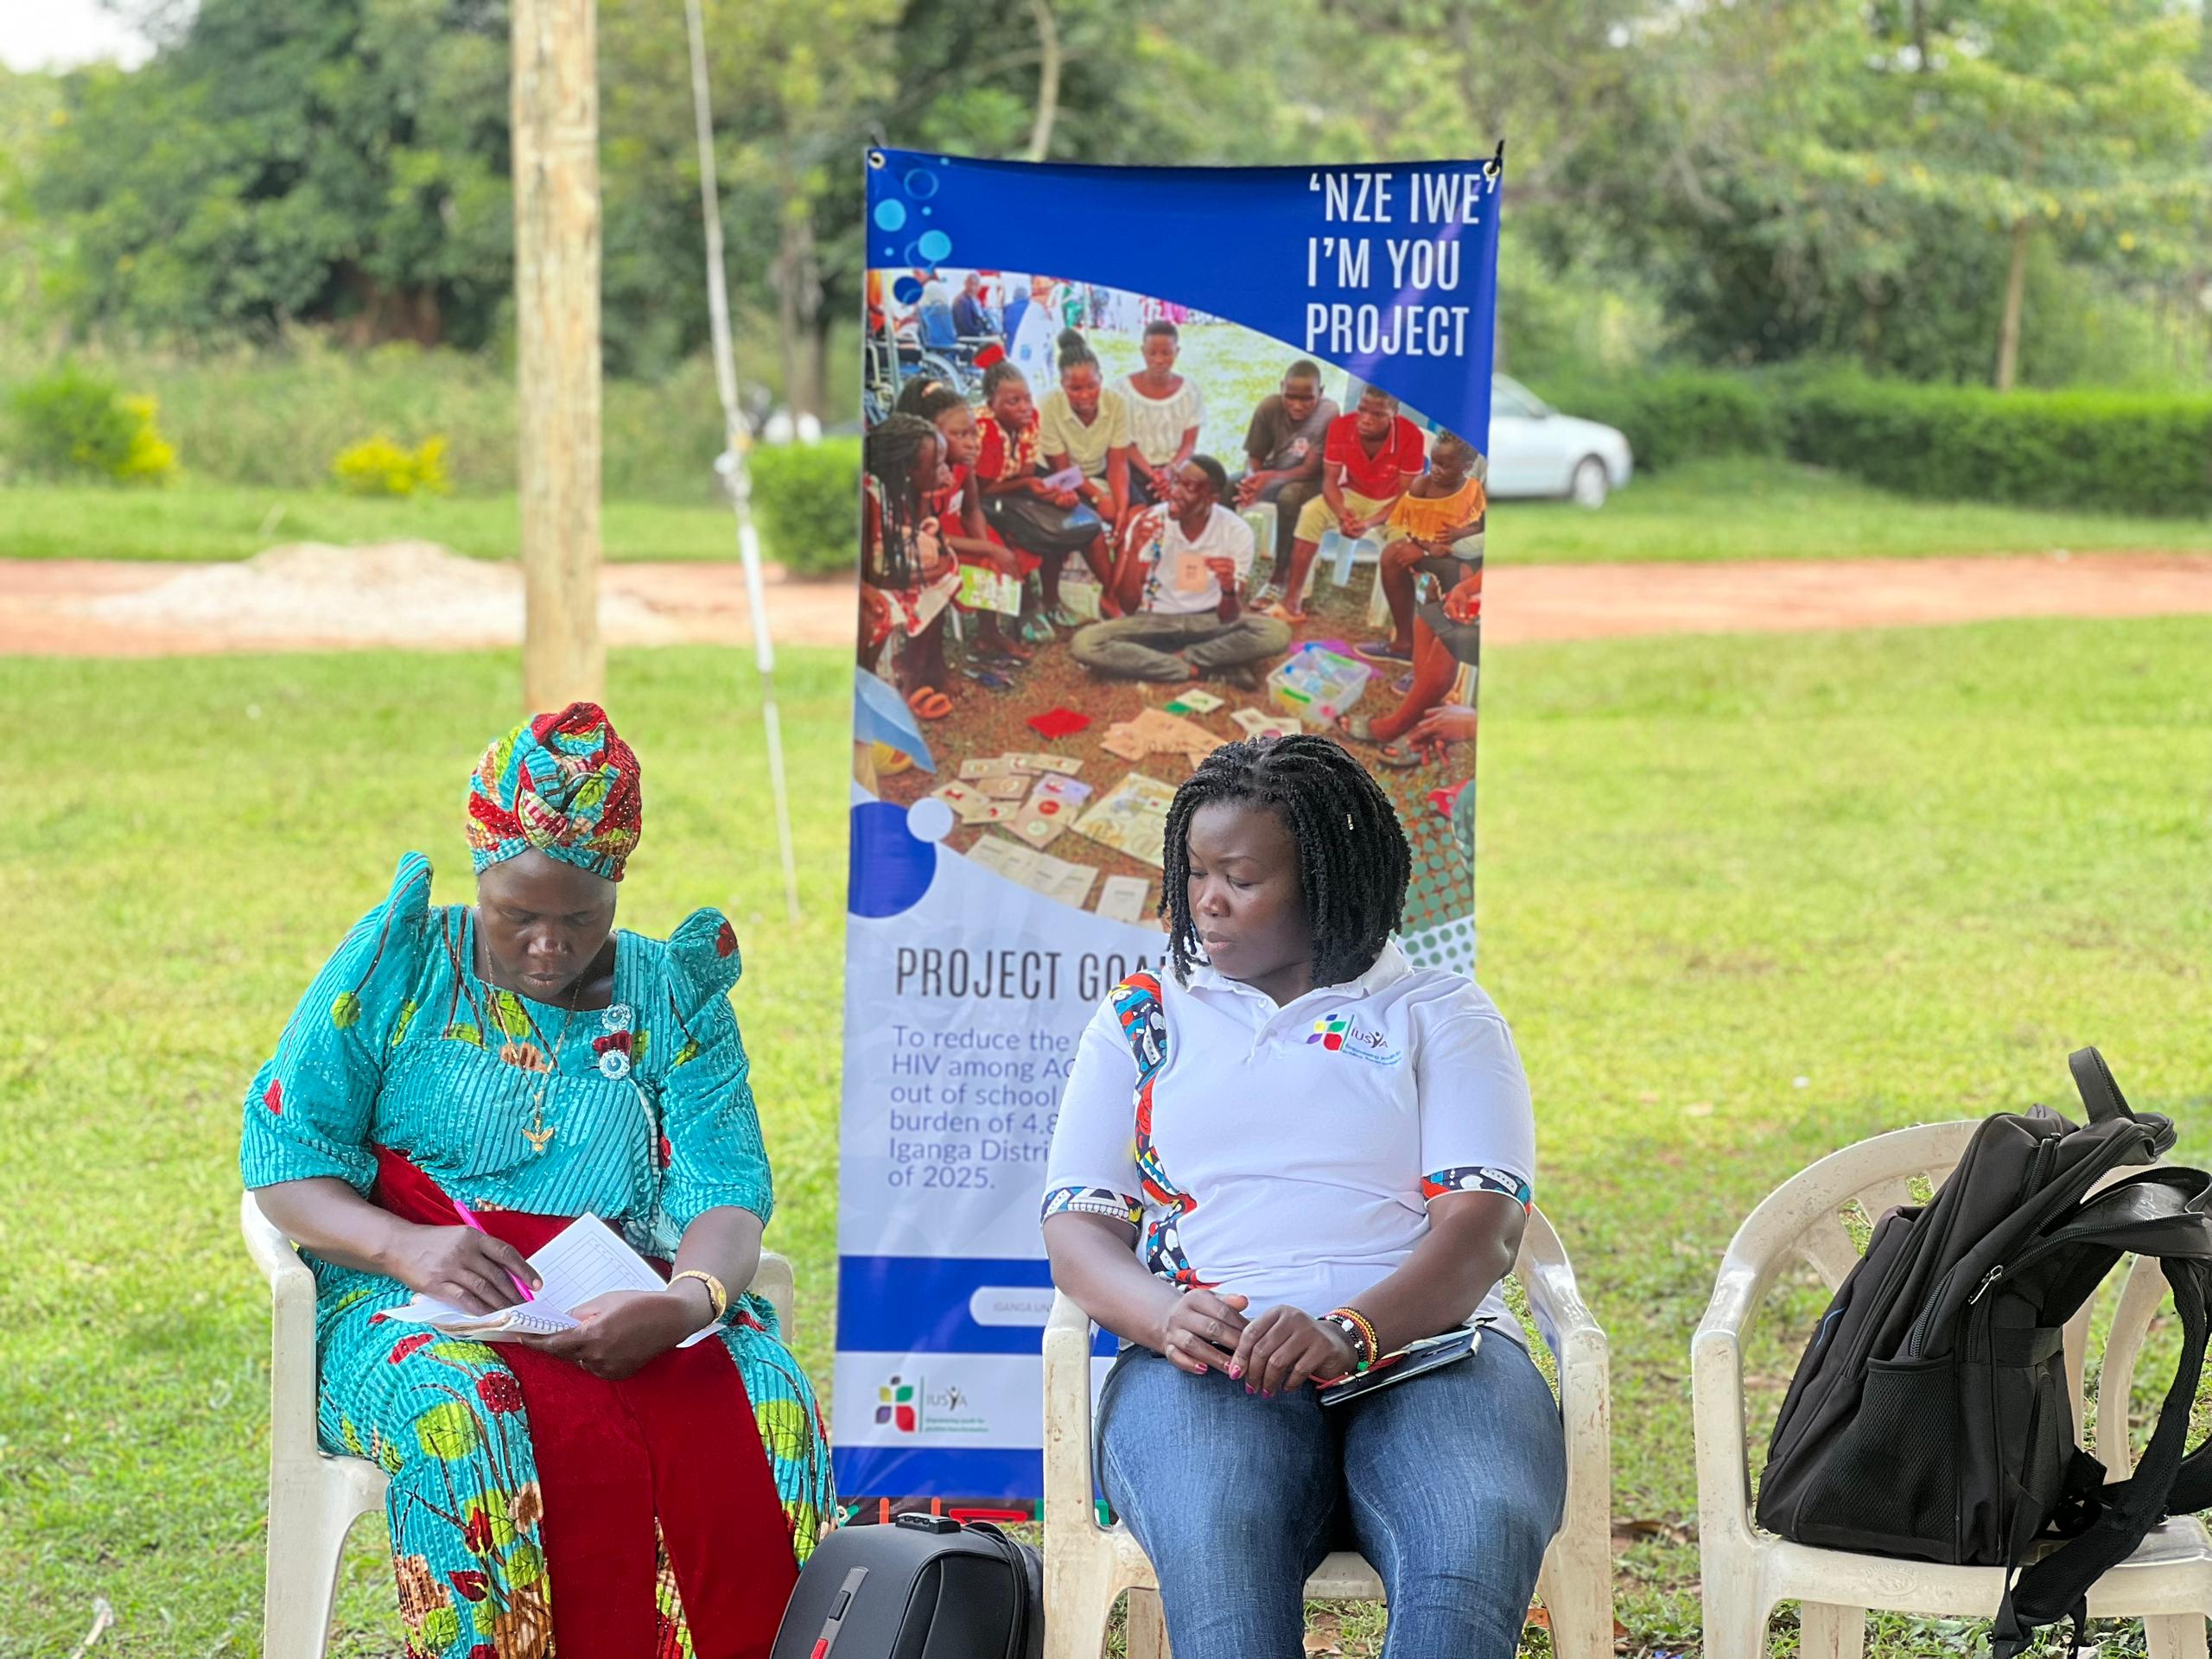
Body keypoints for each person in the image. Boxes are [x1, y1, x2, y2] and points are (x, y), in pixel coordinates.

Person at [242, 704, 835, 1659]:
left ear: (618, 886)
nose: (549, 948)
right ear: (480, 873)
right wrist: (409, 1246)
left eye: (581, 919)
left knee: (771, 1399)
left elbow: (726, 1188)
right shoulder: (397, 969)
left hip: (627, 1293)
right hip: (402, 1304)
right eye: (516, 915)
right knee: (464, 1415)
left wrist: (687, 1304)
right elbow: (285, 1159)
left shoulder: (669, 996)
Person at [1040, 734, 1560, 1659]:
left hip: (1436, 1355)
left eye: (1239, 877)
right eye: (1196, 871)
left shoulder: (1436, 1013)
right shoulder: (1141, 1016)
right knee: (1219, 1536)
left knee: (1472, 1535)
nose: (1205, 900)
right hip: (1204, 1366)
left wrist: (1347, 1331)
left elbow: (1482, 1234)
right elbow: (1078, 1228)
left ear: (1325, 881)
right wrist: (1167, 1320)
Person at [1071, 455, 1290, 685]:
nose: (1174, 492)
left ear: (1212, 498)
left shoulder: (1236, 531)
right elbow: (1128, 605)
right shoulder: (1150, 521)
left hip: (1208, 620)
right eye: (1175, 481)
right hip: (1154, 620)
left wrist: (1227, 589)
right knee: (1085, 643)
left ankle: (1169, 660)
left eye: (1189, 487)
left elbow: (1229, 616)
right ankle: (1203, 671)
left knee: (1276, 633)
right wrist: (1134, 551)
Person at [1270, 388, 1428, 624]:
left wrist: (1368, 523)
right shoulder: (1341, 426)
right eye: (1362, 409)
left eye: (1377, 414)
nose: (1365, 419)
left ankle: (1398, 626)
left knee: (1403, 547)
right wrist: (1343, 515)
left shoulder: (1411, 435)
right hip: (1353, 494)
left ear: (1394, 413)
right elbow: (1330, 482)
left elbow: (1406, 496)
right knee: (1310, 512)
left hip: (1395, 503)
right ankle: (1292, 603)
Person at [914, 383, 1034, 672]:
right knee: (970, 560)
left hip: (960, 529)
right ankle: (930, 659)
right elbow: (927, 533)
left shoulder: (963, 464)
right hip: (932, 539)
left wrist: (987, 549)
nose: (971, 443)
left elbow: (971, 509)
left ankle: (989, 631)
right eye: (960, 435)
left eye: (972, 433)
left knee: (1002, 555)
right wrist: (986, 548)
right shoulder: (925, 472)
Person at [976, 361, 1096, 635]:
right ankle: (1025, 608)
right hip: (976, 499)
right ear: (991, 403)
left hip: (1011, 489)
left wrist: (1045, 491)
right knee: (1021, 534)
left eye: (1027, 398)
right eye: (1013, 401)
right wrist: (1029, 484)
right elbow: (979, 489)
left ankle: (1051, 600)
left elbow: (1025, 472)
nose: (1024, 407)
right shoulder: (984, 429)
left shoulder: (1030, 420)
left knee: (1056, 520)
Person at [861, 413, 963, 719]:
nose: (945, 470)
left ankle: (918, 672)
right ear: (907, 469)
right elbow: (868, 572)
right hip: (866, 579)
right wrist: (917, 576)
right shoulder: (868, 498)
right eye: (937, 465)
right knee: (881, 613)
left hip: (884, 561)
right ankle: (867, 694)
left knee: (944, 577)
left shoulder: (895, 487)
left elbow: (911, 528)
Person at [1356, 434, 1486, 668]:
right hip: (1429, 544)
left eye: (1444, 466)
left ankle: (1431, 667)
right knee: (1392, 555)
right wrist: (1424, 547)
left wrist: (1457, 535)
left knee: (1448, 580)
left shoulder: (1473, 490)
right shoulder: (1423, 485)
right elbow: (1408, 521)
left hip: (1470, 557)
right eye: (1434, 462)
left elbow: (1479, 527)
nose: (1435, 470)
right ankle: (1405, 644)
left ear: (1466, 467)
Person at [1039, 329, 1135, 607]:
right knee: (1089, 524)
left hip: (1100, 469)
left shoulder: (1117, 403)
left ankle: (1129, 586)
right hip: (1058, 475)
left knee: (1133, 516)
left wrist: (1120, 507)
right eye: (1075, 389)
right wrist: (1097, 497)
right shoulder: (1048, 405)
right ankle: (1112, 596)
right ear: (1062, 385)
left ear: (1101, 379)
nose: (1085, 396)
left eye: (1092, 386)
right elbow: (1062, 468)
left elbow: (1118, 462)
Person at [1235, 361, 1339, 590]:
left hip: (1309, 480)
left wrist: (1267, 478)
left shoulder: (1328, 413)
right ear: (1281, 387)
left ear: (1320, 392)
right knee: (1224, 486)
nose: (1297, 405)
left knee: (1290, 496)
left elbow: (1309, 469)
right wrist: (1251, 480)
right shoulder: (1269, 407)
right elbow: (1255, 456)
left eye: (1307, 399)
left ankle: (1280, 575)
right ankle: (1226, 567)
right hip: (1273, 471)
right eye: (1290, 396)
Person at [1122, 320, 1205, 524]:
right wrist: (1153, 475)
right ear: (1143, 352)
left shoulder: (1189, 391)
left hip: (1177, 467)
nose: (1159, 360)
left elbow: (1189, 444)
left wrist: (1169, 471)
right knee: (1141, 517)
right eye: (1152, 353)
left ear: (1177, 352)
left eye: (1166, 353)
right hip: (1135, 469)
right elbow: (1124, 443)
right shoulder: (1122, 391)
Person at [915, 269, 957, 352]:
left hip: (935, 347)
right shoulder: (936, 286)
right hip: (946, 346)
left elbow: (925, 331)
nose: (915, 275)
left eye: (917, 272)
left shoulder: (930, 287)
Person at [952, 271, 995, 345]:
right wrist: (982, 332)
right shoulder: (962, 301)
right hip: (968, 341)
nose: (973, 287)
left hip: (976, 338)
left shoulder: (973, 300)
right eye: (970, 284)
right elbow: (967, 328)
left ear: (979, 287)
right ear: (965, 284)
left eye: (976, 285)